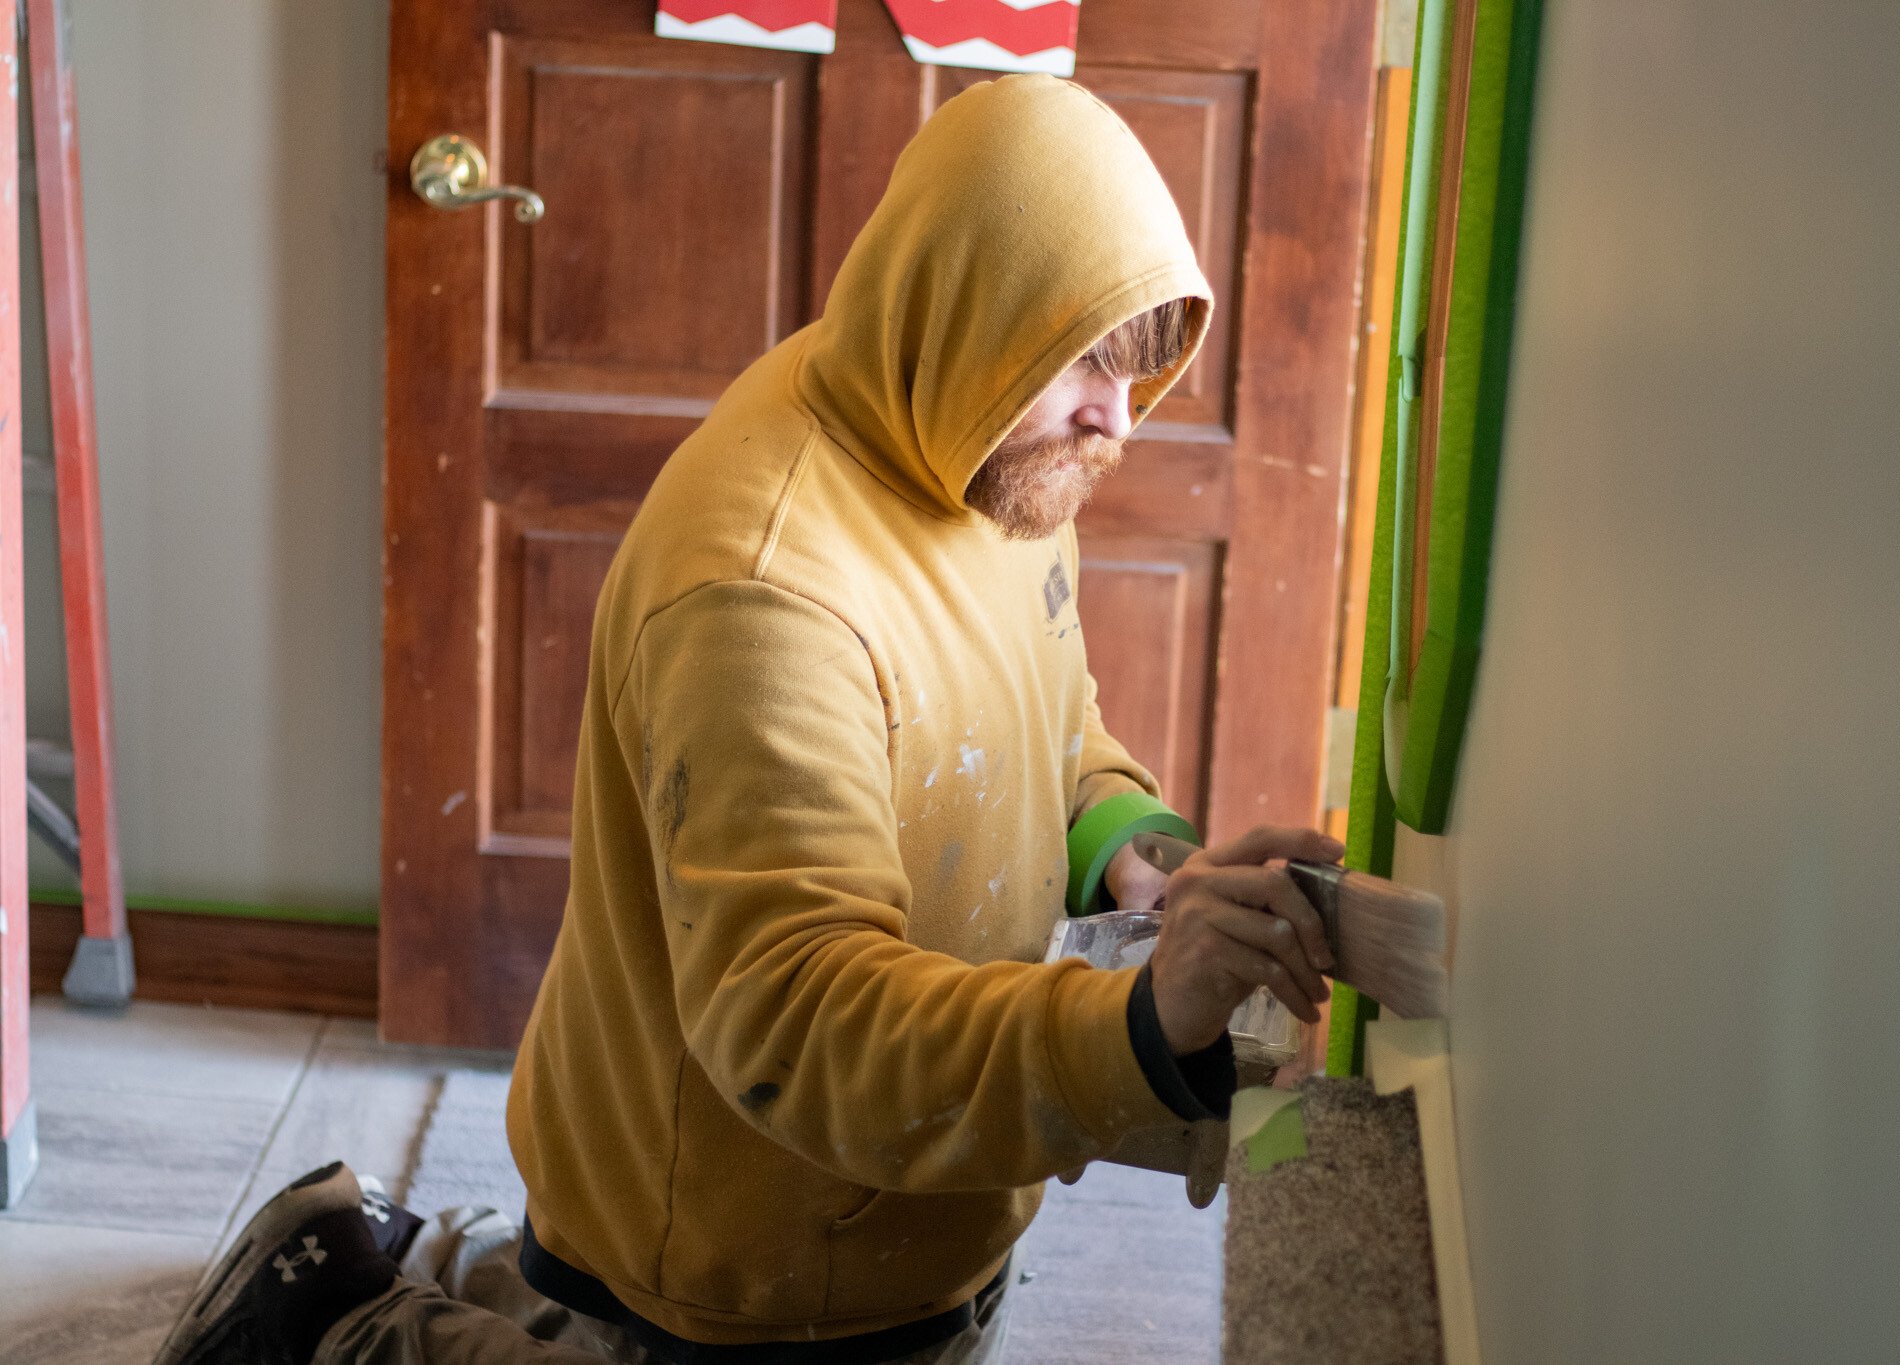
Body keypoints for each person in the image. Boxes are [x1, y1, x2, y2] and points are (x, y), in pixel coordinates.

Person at [151, 74, 1342, 1365]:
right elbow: (799, 1020)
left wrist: (1135, 854)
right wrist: (1136, 1021)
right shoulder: (768, 590)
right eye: (1085, 360)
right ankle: (336, 1314)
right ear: (964, 315)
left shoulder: (972, 434)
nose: (1121, 414)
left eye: (1142, 358)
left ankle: (440, 1260)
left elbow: (1054, 719)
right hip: (736, 1245)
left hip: (905, 1166)